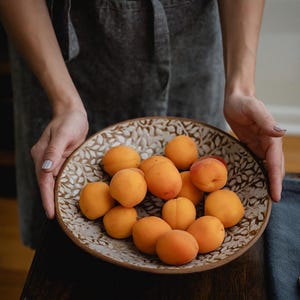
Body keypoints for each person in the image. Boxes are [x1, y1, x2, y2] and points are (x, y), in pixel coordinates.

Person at [0, 0, 285, 250]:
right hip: (63, 51)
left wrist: (241, 88)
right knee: (67, 245)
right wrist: (63, 104)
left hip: (189, 40)